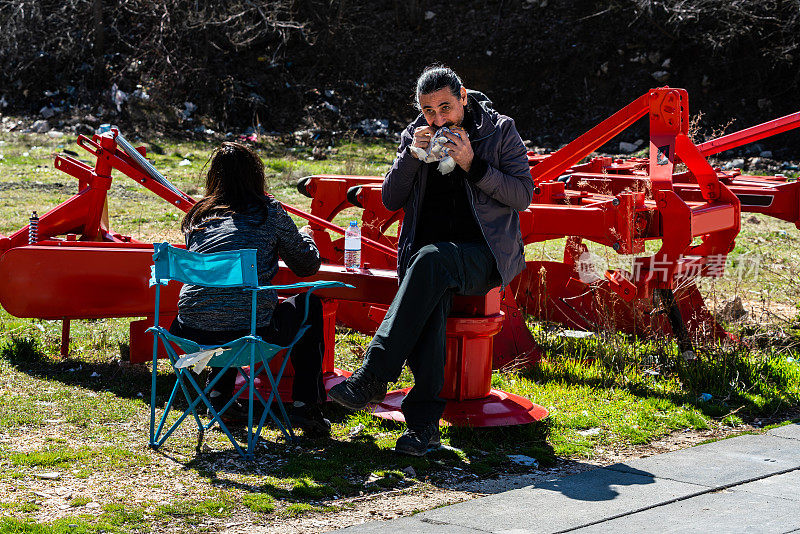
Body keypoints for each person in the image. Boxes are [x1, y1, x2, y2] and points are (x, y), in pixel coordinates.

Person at [329, 65, 533, 455]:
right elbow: (390, 200)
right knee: (429, 277)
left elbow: (522, 195)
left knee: (430, 263)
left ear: (463, 99)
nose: (438, 120)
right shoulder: (413, 135)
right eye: (428, 111)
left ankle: (374, 376)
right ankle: (423, 429)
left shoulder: (498, 130)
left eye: (445, 108)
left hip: (483, 256)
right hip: (429, 258)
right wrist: (411, 156)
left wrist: (474, 164)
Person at [169, 141, 331, 437]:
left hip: (189, 336)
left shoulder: (197, 216)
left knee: (226, 303)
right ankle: (305, 406)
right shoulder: (269, 213)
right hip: (246, 336)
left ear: (213, 177)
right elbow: (307, 266)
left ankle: (218, 396)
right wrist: (308, 238)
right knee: (308, 306)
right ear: (257, 176)